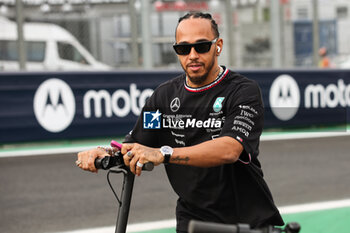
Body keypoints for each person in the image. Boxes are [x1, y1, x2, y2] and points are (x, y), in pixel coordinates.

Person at [76, 12, 284, 233]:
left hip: (247, 222)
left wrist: (164, 153)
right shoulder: (163, 98)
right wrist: (102, 151)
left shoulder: (243, 91)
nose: (192, 55)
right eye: (183, 49)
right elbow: (134, 145)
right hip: (193, 221)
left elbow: (229, 149)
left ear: (218, 46)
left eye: (201, 46)